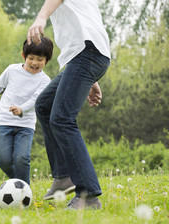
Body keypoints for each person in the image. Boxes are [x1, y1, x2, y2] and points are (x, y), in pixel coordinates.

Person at [27, 0, 111, 209]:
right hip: (87, 55)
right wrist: (92, 79)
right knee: (44, 105)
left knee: (62, 118)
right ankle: (64, 176)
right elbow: (85, 25)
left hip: (86, 55)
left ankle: (88, 195)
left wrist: (41, 17)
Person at [0, 36, 53, 185]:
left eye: (40, 59)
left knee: (21, 158)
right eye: (31, 58)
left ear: (47, 61)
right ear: (24, 56)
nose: (35, 63)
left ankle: (25, 191)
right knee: (3, 160)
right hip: (5, 121)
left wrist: (21, 109)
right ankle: (19, 184)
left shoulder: (45, 80)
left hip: (26, 124)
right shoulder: (12, 70)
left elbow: (35, 99)